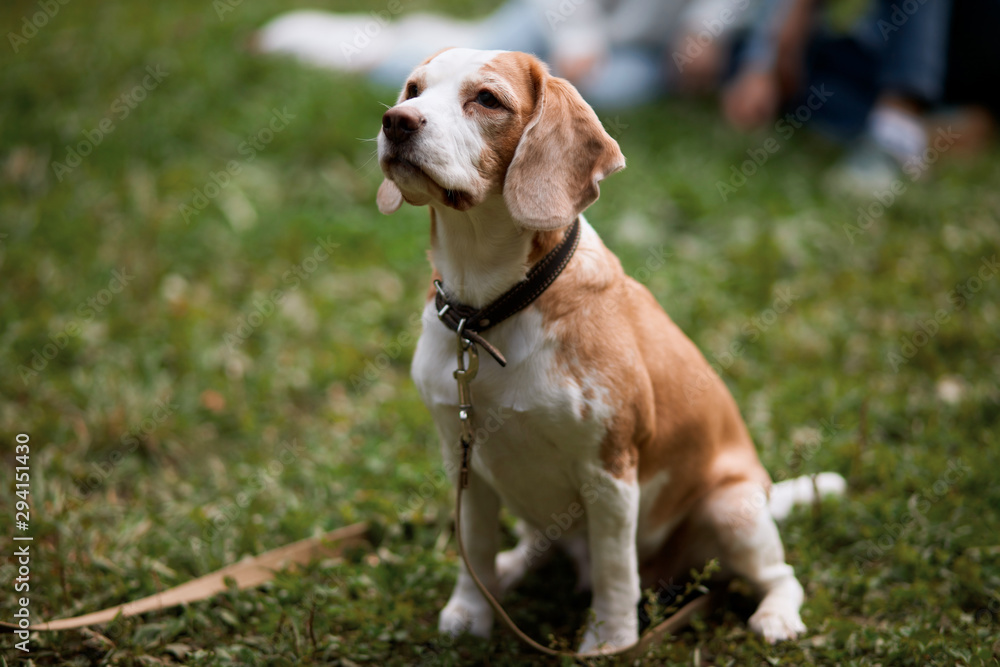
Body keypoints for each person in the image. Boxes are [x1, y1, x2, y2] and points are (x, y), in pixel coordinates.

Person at [256, 0, 761, 109]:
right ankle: (342, 46)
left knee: (614, 93)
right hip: (556, 19)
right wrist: (577, 41)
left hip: (640, 48)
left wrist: (706, 32)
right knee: (458, 68)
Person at [723, 0, 999, 191]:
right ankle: (926, 131)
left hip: (974, 45)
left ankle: (897, 125)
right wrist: (764, 60)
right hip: (898, 49)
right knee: (745, 57)